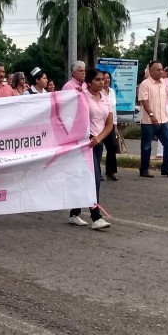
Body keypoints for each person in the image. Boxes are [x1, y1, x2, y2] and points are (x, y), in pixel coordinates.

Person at [69, 69, 114, 230]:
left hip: (97, 143)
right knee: (94, 179)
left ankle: (74, 213)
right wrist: (87, 137)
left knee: (84, 179)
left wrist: (99, 138)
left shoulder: (105, 99)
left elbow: (109, 124)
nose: (101, 82)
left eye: (102, 79)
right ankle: (96, 217)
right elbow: (74, 118)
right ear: (88, 82)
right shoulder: (82, 96)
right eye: (97, 80)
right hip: (84, 144)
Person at [137, 60, 168, 178]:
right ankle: (144, 169)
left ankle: (166, 168)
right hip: (149, 121)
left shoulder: (163, 83)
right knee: (146, 146)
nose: (161, 72)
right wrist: (151, 114)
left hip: (163, 120)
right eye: (158, 70)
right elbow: (144, 100)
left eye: (162, 69)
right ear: (151, 71)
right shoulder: (145, 84)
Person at [102, 71, 119, 181]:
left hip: (111, 123)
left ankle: (110, 171)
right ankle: (96, 172)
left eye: (108, 78)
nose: (107, 80)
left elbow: (114, 110)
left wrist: (115, 124)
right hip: (99, 123)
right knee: (97, 149)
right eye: (104, 78)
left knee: (112, 146)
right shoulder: (98, 92)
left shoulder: (112, 91)